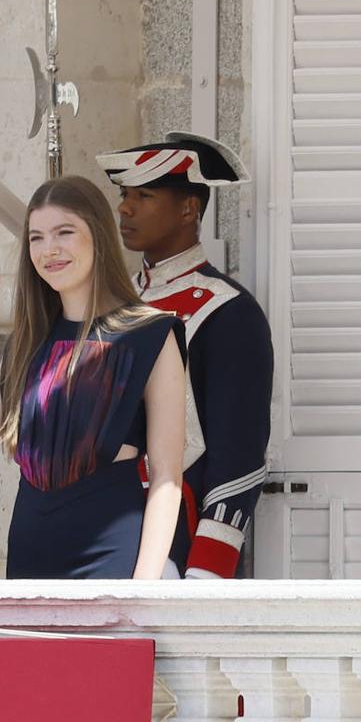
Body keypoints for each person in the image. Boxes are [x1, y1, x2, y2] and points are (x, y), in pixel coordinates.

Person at [0, 175, 186, 579]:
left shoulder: (151, 333)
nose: (48, 249)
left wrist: (144, 588)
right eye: (36, 237)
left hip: (111, 556)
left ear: (98, 236)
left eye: (64, 232)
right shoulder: (29, 340)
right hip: (29, 553)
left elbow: (167, 476)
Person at [97, 132, 273, 579]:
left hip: (179, 535)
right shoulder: (114, 304)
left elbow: (239, 456)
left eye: (144, 195)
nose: (125, 208)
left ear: (188, 210)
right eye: (124, 195)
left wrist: (207, 570)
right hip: (102, 530)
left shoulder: (228, 310)